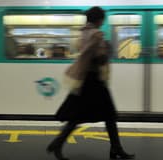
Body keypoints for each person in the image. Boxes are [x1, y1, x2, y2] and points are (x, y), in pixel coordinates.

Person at [46, 7, 135, 160]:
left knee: (78, 116)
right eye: (102, 19)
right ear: (99, 20)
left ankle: (58, 143)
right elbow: (99, 58)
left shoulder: (83, 33)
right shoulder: (97, 34)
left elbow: (83, 52)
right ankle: (116, 149)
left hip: (84, 80)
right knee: (109, 115)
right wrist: (106, 50)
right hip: (94, 81)